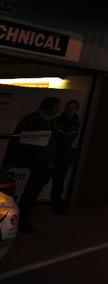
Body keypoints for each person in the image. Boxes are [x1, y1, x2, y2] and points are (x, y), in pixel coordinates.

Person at [7, 96, 60, 233]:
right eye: (56, 106)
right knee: (25, 195)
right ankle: (18, 223)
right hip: (30, 166)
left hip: (39, 167)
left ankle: (22, 221)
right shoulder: (32, 121)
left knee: (30, 196)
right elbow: (24, 144)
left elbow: (49, 146)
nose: (58, 109)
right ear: (50, 107)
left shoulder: (50, 122)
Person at [51, 99, 81, 214]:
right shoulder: (57, 121)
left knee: (59, 182)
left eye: (73, 108)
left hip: (65, 157)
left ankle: (56, 205)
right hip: (55, 155)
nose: (70, 110)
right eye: (69, 108)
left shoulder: (77, 123)